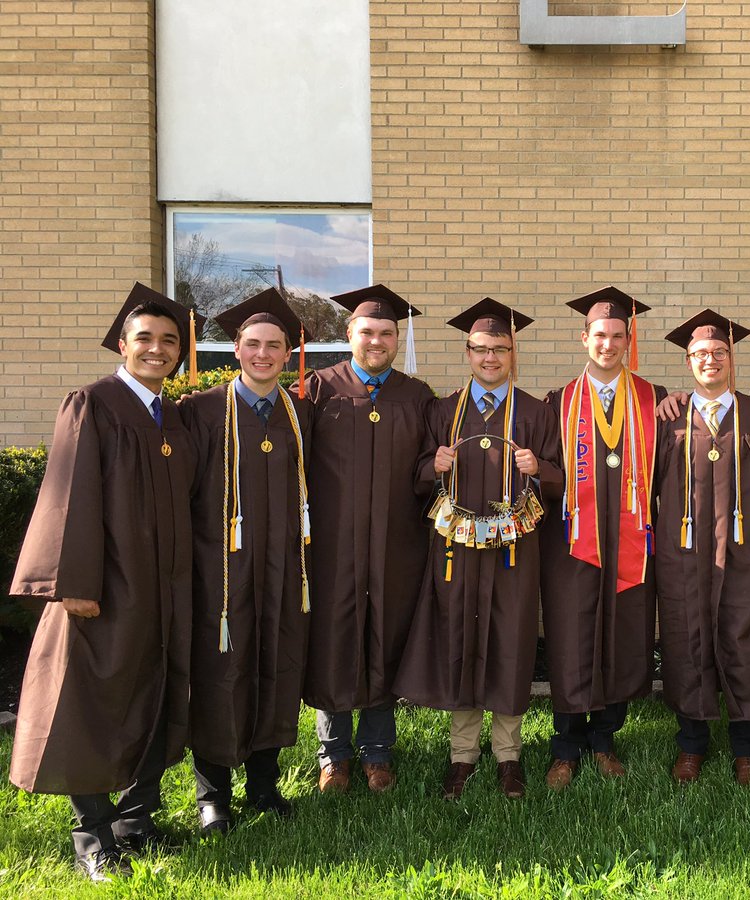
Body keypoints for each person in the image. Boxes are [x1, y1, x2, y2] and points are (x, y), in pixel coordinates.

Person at [8, 285, 200, 881]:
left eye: (170, 341)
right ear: (123, 343)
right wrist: (73, 583)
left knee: (156, 691)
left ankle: (135, 820)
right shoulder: (92, 403)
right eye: (145, 338)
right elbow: (68, 498)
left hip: (165, 586)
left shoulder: (173, 415)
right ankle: (92, 834)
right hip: (105, 587)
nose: (158, 349)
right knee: (89, 700)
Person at [397, 298, 561, 801]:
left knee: (511, 645)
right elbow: (416, 476)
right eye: (480, 349)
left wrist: (541, 470)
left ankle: (509, 755)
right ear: (467, 351)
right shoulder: (443, 410)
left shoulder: (536, 411)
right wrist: (434, 466)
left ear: (514, 352)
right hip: (458, 553)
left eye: (500, 349)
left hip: (514, 553)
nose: (490, 358)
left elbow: (563, 479)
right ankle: (462, 755)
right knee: (460, 642)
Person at [179, 289, 313, 833]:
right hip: (222, 573)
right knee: (221, 671)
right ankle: (213, 794)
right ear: (236, 349)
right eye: (253, 344)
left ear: (287, 354)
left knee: (276, 666)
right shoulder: (200, 411)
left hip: (283, 567)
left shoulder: (300, 414)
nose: (263, 354)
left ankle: (264, 783)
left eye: (274, 346)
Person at [295, 284, 435, 794]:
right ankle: (333, 755)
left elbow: (427, 467)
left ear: (398, 340)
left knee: (382, 637)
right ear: (348, 333)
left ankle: (377, 753)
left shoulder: (416, 396)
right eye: (367, 332)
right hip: (333, 546)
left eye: (387, 334)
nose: (377, 341)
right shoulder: (317, 389)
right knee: (335, 639)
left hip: (396, 544)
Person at [540, 286, 666, 789]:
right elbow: (547, 470)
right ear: (583, 339)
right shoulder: (558, 403)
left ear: (629, 339)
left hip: (632, 538)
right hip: (574, 541)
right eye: (599, 335)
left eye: (617, 336)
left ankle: (605, 739)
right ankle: (565, 745)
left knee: (621, 632)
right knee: (573, 636)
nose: (608, 344)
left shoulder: (655, 402)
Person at [656, 310, 750, 786]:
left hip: (746, 552)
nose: (710, 360)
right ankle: (692, 745)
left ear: (731, 358)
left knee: (746, 642)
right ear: (688, 362)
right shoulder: (667, 419)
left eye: (719, 352)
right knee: (688, 642)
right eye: (701, 354)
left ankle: (747, 747)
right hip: (682, 553)